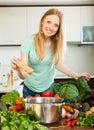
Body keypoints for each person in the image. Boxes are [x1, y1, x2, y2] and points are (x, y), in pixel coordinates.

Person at [11, 8, 91, 98]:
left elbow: (58, 64)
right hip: (29, 89)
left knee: (49, 112)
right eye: (48, 22)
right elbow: (24, 74)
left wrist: (76, 75)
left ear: (58, 29)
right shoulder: (28, 41)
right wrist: (20, 70)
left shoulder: (56, 44)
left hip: (48, 89)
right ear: (42, 22)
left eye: (56, 25)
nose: (51, 27)